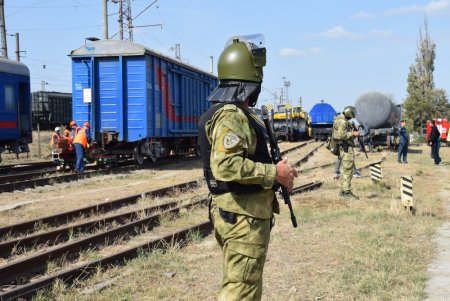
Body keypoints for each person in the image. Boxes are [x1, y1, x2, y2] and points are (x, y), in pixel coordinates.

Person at [198, 35, 297, 301]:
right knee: (241, 289)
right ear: (251, 81)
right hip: (242, 217)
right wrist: (275, 173)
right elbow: (225, 165)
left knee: (246, 284)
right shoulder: (231, 116)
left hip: (241, 214)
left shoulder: (232, 113)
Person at [332, 106, 360, 200]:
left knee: (344, 170)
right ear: (349, 113)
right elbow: (342, 135)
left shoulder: (340, 119)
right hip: (346, 148)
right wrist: (353, 134)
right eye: (352, 115)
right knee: (348, 170)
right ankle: (347, 192)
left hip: (344, 148)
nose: (352, 117)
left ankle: (343, 190)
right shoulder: (343, 122)